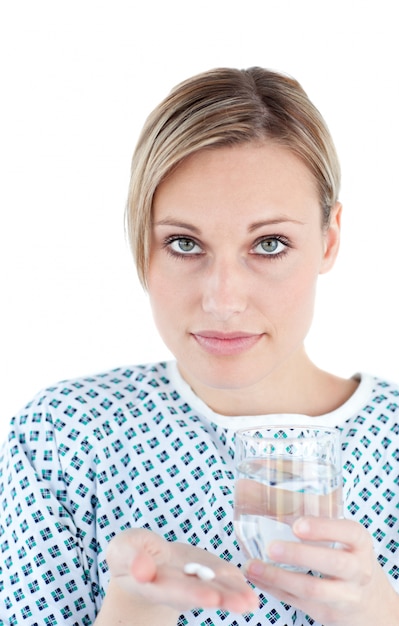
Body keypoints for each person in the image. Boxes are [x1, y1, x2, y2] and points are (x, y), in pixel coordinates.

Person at [0, 66, 398, 626]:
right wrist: (132, 610)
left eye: (270, 243)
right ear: (142, 245)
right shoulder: (65, 439)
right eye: (185, 243)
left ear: (329, 240)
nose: (223, 299)